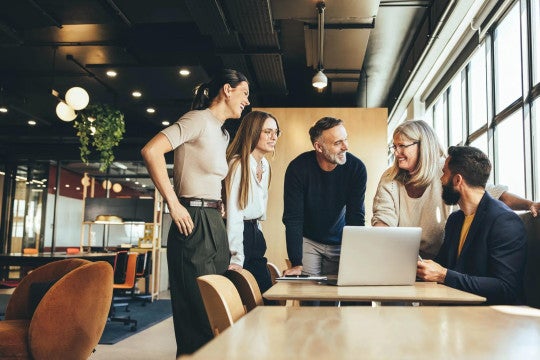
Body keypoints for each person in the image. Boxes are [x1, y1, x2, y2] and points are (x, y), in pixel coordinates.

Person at [140, 69, 250, 356]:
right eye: (244, 94)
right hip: (192, 220)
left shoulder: (223, 133)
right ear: (227, 89)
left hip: (213, 222)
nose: (247, 101)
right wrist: (173, 204)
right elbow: (151, 151)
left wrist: (219, 203)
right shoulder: (197, 119)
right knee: (197, 319)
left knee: (218, 314)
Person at [372, 119, 539, 259]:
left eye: (402, 146)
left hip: (442, 260)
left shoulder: (445, 171)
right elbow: (383, 221)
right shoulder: (390, 179)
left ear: (422, 146)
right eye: (394, 147)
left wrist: (529, 204)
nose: (397, 152)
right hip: (401, 257)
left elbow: (488, 193)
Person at [417, 146, 527, 305]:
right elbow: (441, 266)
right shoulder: (455, 220)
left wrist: (443, 275)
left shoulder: (504, 221)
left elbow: (506, 288)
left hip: (497, 319)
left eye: (444, 173)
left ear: (457, 180)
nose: (441, 179)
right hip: (459, 313)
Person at [283, 117, 367, 276]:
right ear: (319, 147)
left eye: (346, 140)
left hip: (342, 240)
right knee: (310, 296)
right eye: (338, 143)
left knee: (342, 294)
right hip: (309, 240)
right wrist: (296, 262)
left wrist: (357, 256)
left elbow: (356, 216)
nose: (346, 147)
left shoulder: (356, 168)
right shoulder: (298, 168)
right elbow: (293, 217)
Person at [224, 110, 280, 295]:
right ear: (253, 132)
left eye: (276, 132)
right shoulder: (238, 164)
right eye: (268, 132)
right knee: (251, 299)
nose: (274, 137)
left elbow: (259, 211)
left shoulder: (265, 165)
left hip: (255, 233)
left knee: (266, 295)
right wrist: (237, 257)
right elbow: (234, 214)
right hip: (239, 237)